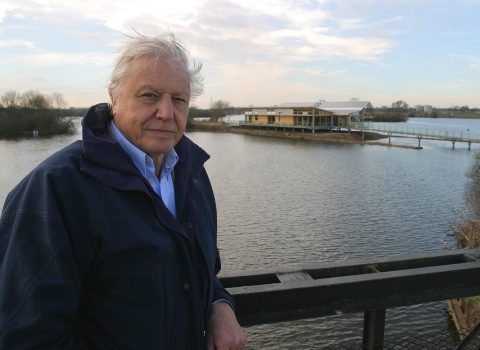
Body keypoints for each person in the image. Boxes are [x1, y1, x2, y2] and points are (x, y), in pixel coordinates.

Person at [0, 32, 247, 349]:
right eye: (149, 95)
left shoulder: (193, 176)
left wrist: (219, 307)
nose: (166, 112)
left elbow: (202, 274)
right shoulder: (54, 189)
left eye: (179, 99)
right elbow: (28, 338)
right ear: (114, 98)